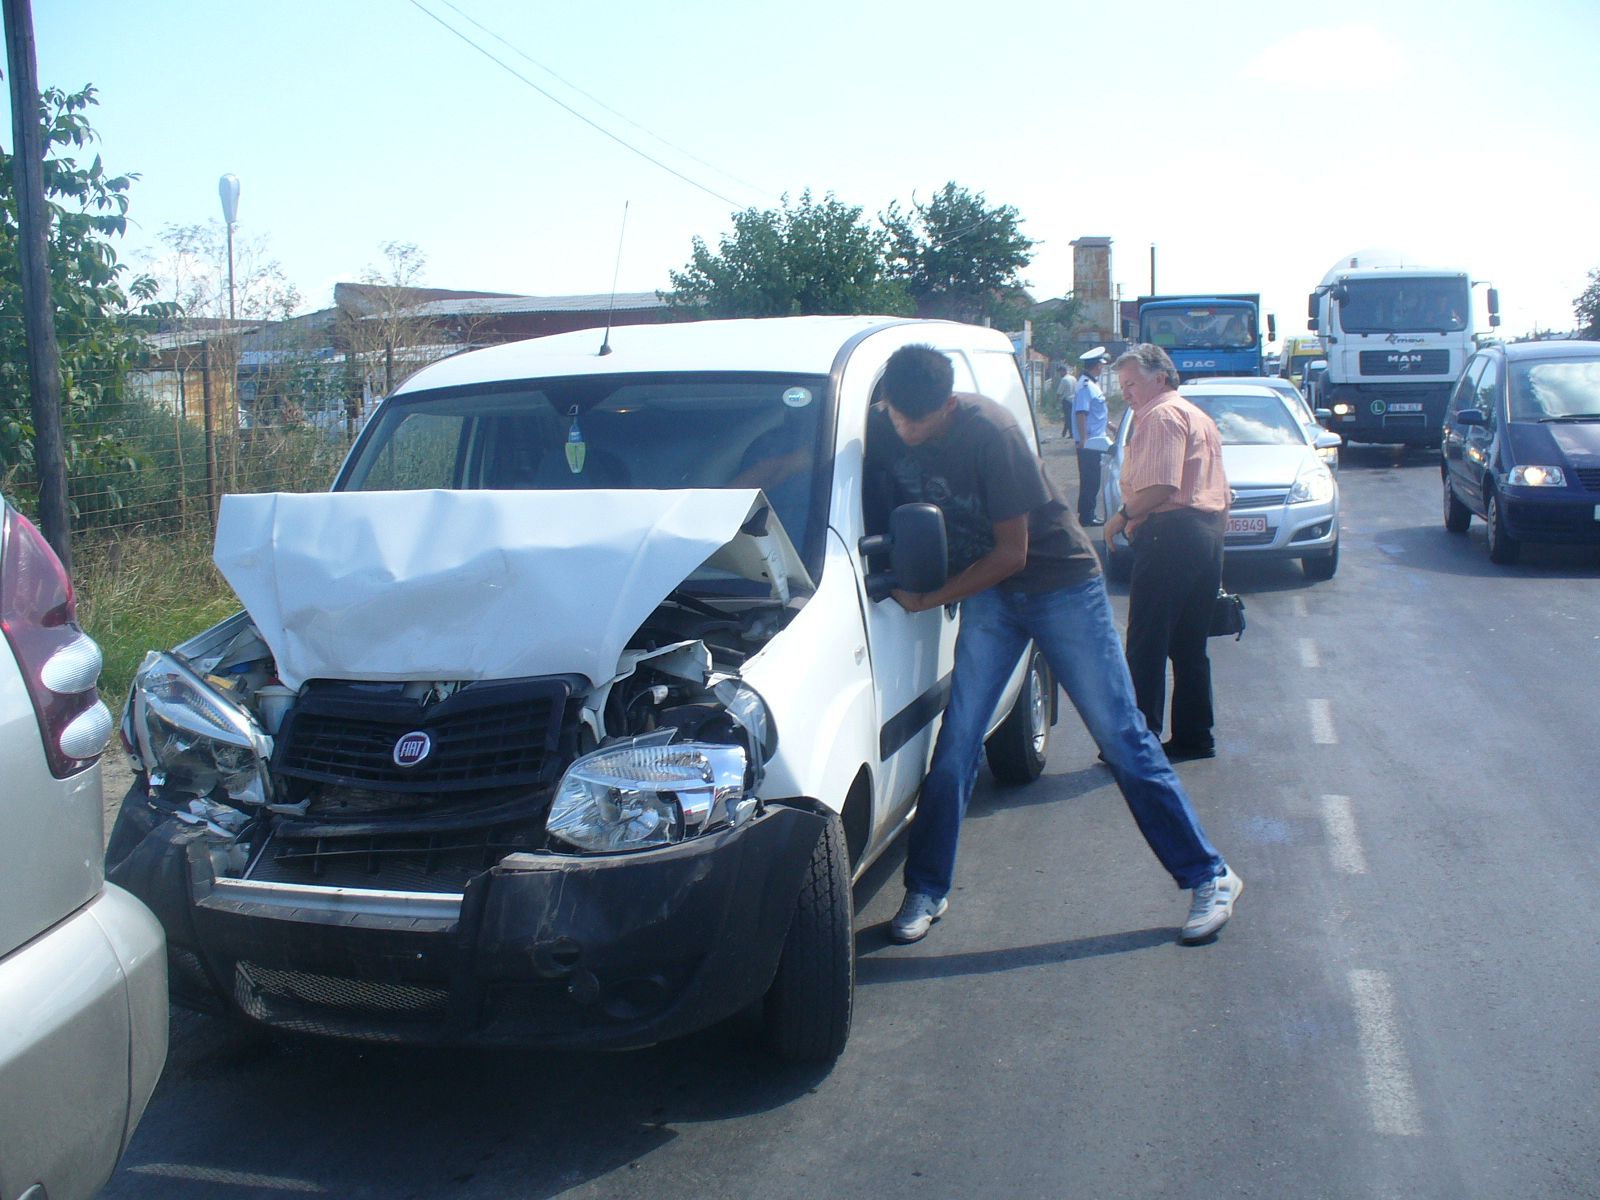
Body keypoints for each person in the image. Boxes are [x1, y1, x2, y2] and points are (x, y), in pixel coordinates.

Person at [867, 344, 1242, 946]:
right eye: (896, 417)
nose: (905, 430)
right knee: (959, 740)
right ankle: (928, 889)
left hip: (1057, 585)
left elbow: (1012, 553)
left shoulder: (992, 431)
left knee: (1122, 736)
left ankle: (1209, 875)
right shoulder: (891, 423)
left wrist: (929, 599)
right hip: (992, 596)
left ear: (948, 406)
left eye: (917, 420)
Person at [1102, 344, 1229, 762]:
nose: (1127, 393)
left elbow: (1161, 486)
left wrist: (1120, 516)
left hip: (1171, 533)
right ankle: (1195, 736)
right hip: (1205, 532)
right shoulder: (1198, 415)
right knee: (1189, 644)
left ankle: (1140, 742)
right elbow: (1220, 492)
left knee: (1147, 640)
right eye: (1123, 385)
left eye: (1132, 383)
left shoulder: (1160, 416)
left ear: (1159, 377)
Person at [1072, 347, 1111, 526]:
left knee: (1092, 479)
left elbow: (1096, 413)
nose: (1102, 368)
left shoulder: (1090, 384)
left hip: (1095, 441)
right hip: (1090, 443)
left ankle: (1087, 513)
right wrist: (1084, 440)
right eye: (1101, 365)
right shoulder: (1086, 386)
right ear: (1096, 366)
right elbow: (1082, 413)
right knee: (1090, 480)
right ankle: (1087, 516)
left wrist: (1111, 426)